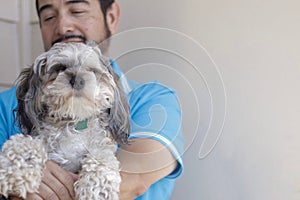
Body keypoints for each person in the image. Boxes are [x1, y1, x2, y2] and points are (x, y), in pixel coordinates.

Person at [0, 0, 184, 199]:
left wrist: (29, 188)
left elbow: (129, 184)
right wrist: (14, 170)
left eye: (77, 11)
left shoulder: (155, 100)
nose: (63, 27)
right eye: (49, 17)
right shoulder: (4, 104)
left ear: (111, 17)